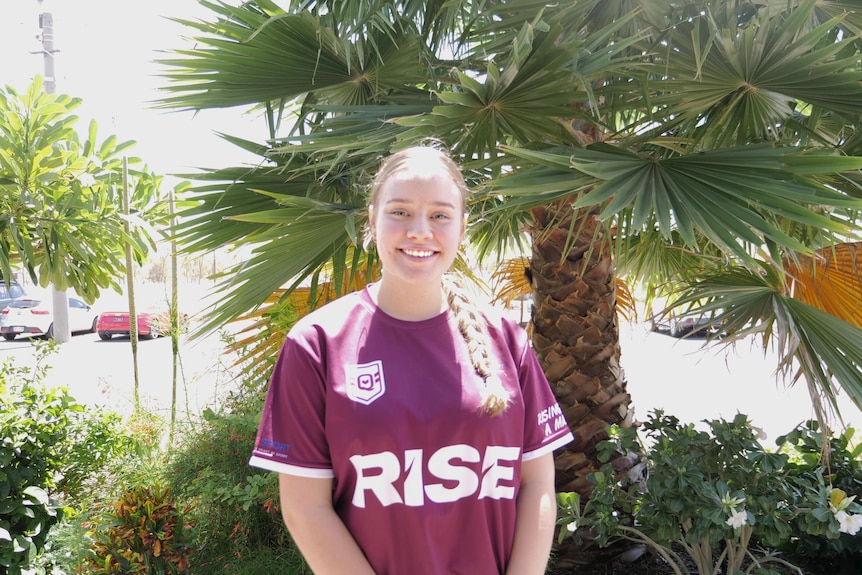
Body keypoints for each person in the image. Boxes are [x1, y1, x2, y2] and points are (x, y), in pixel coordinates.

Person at [249, 144, 574, 574]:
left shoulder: (508, 341)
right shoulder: (316, 344)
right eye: (399, 212)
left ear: (461, 227)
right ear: (372, 220)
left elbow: (538, 485)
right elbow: (306, 508)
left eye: (440, 215)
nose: (420, 230)